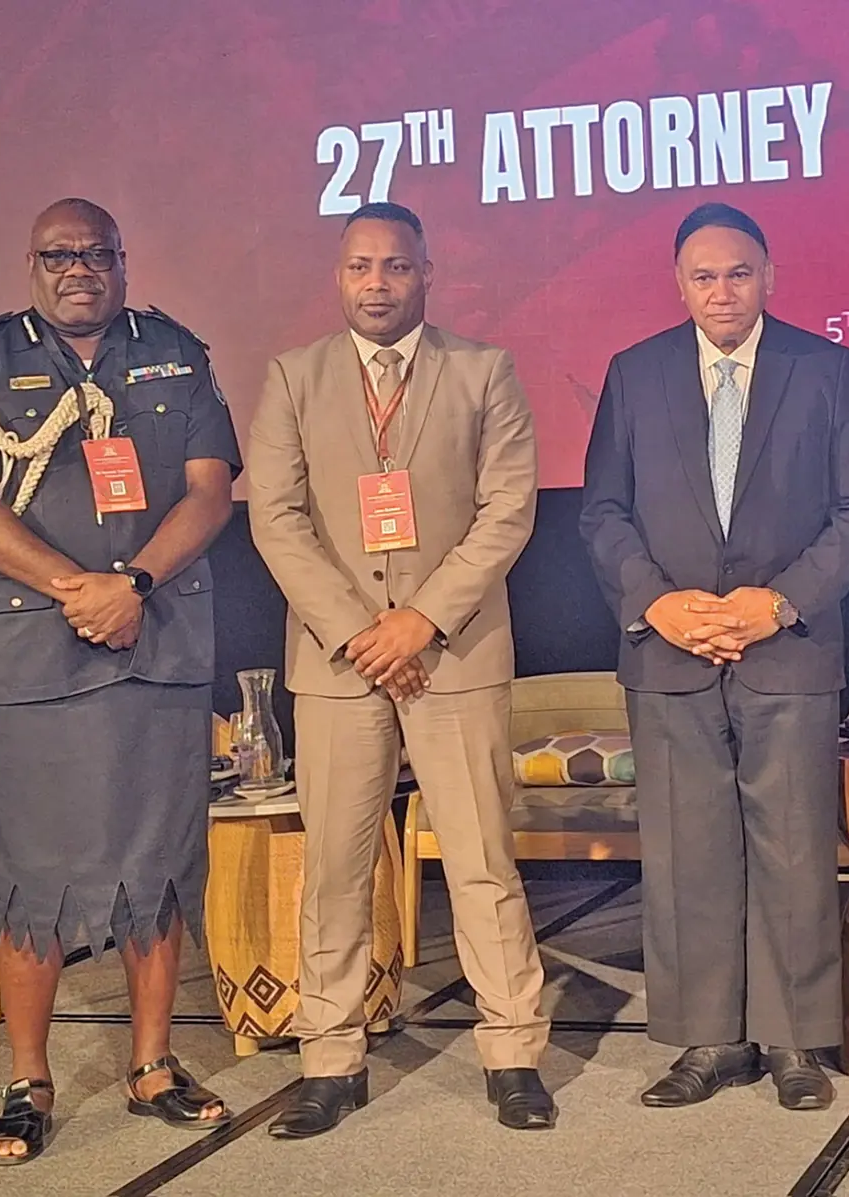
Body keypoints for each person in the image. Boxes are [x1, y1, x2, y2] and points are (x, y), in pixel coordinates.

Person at [0, 198, 240, 1165]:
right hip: (34, 653)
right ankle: (28, 1078)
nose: (79, 270)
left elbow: (211, 490)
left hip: (158, 639)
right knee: (29, 874)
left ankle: (152, 1064)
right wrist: (79, 590)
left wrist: (132, 585)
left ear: (123, 263)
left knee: (158, 858)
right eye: (59, 255)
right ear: (31, 264)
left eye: (97, 254)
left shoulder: (177, 353)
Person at [245, 201, 554, 1136]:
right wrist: (359, 631)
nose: (376, 284)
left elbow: (508, 507)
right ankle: (330, 1056)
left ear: (427, 273)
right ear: (338, 278)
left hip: (453, 656)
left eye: (394, 267)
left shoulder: (482, 371)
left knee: (481, 865)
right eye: (359, 268)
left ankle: (512, 1051)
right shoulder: (293, 379)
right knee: (335, 869)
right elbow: (278, 519)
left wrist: (419, 620)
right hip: (340, 668)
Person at [580, 202, 849, 1112]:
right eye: (705, 276)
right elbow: (602, 513)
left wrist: (778, 600)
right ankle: (708, 1039)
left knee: (793, 850)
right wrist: (659, 603)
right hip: (669, 654)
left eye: (740, 273)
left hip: (786, 648)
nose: (723, 291)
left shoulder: (823, 369)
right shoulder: (634, 375)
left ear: (770, 276)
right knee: (687, 855)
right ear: (679, 284)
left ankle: (795, 1039)